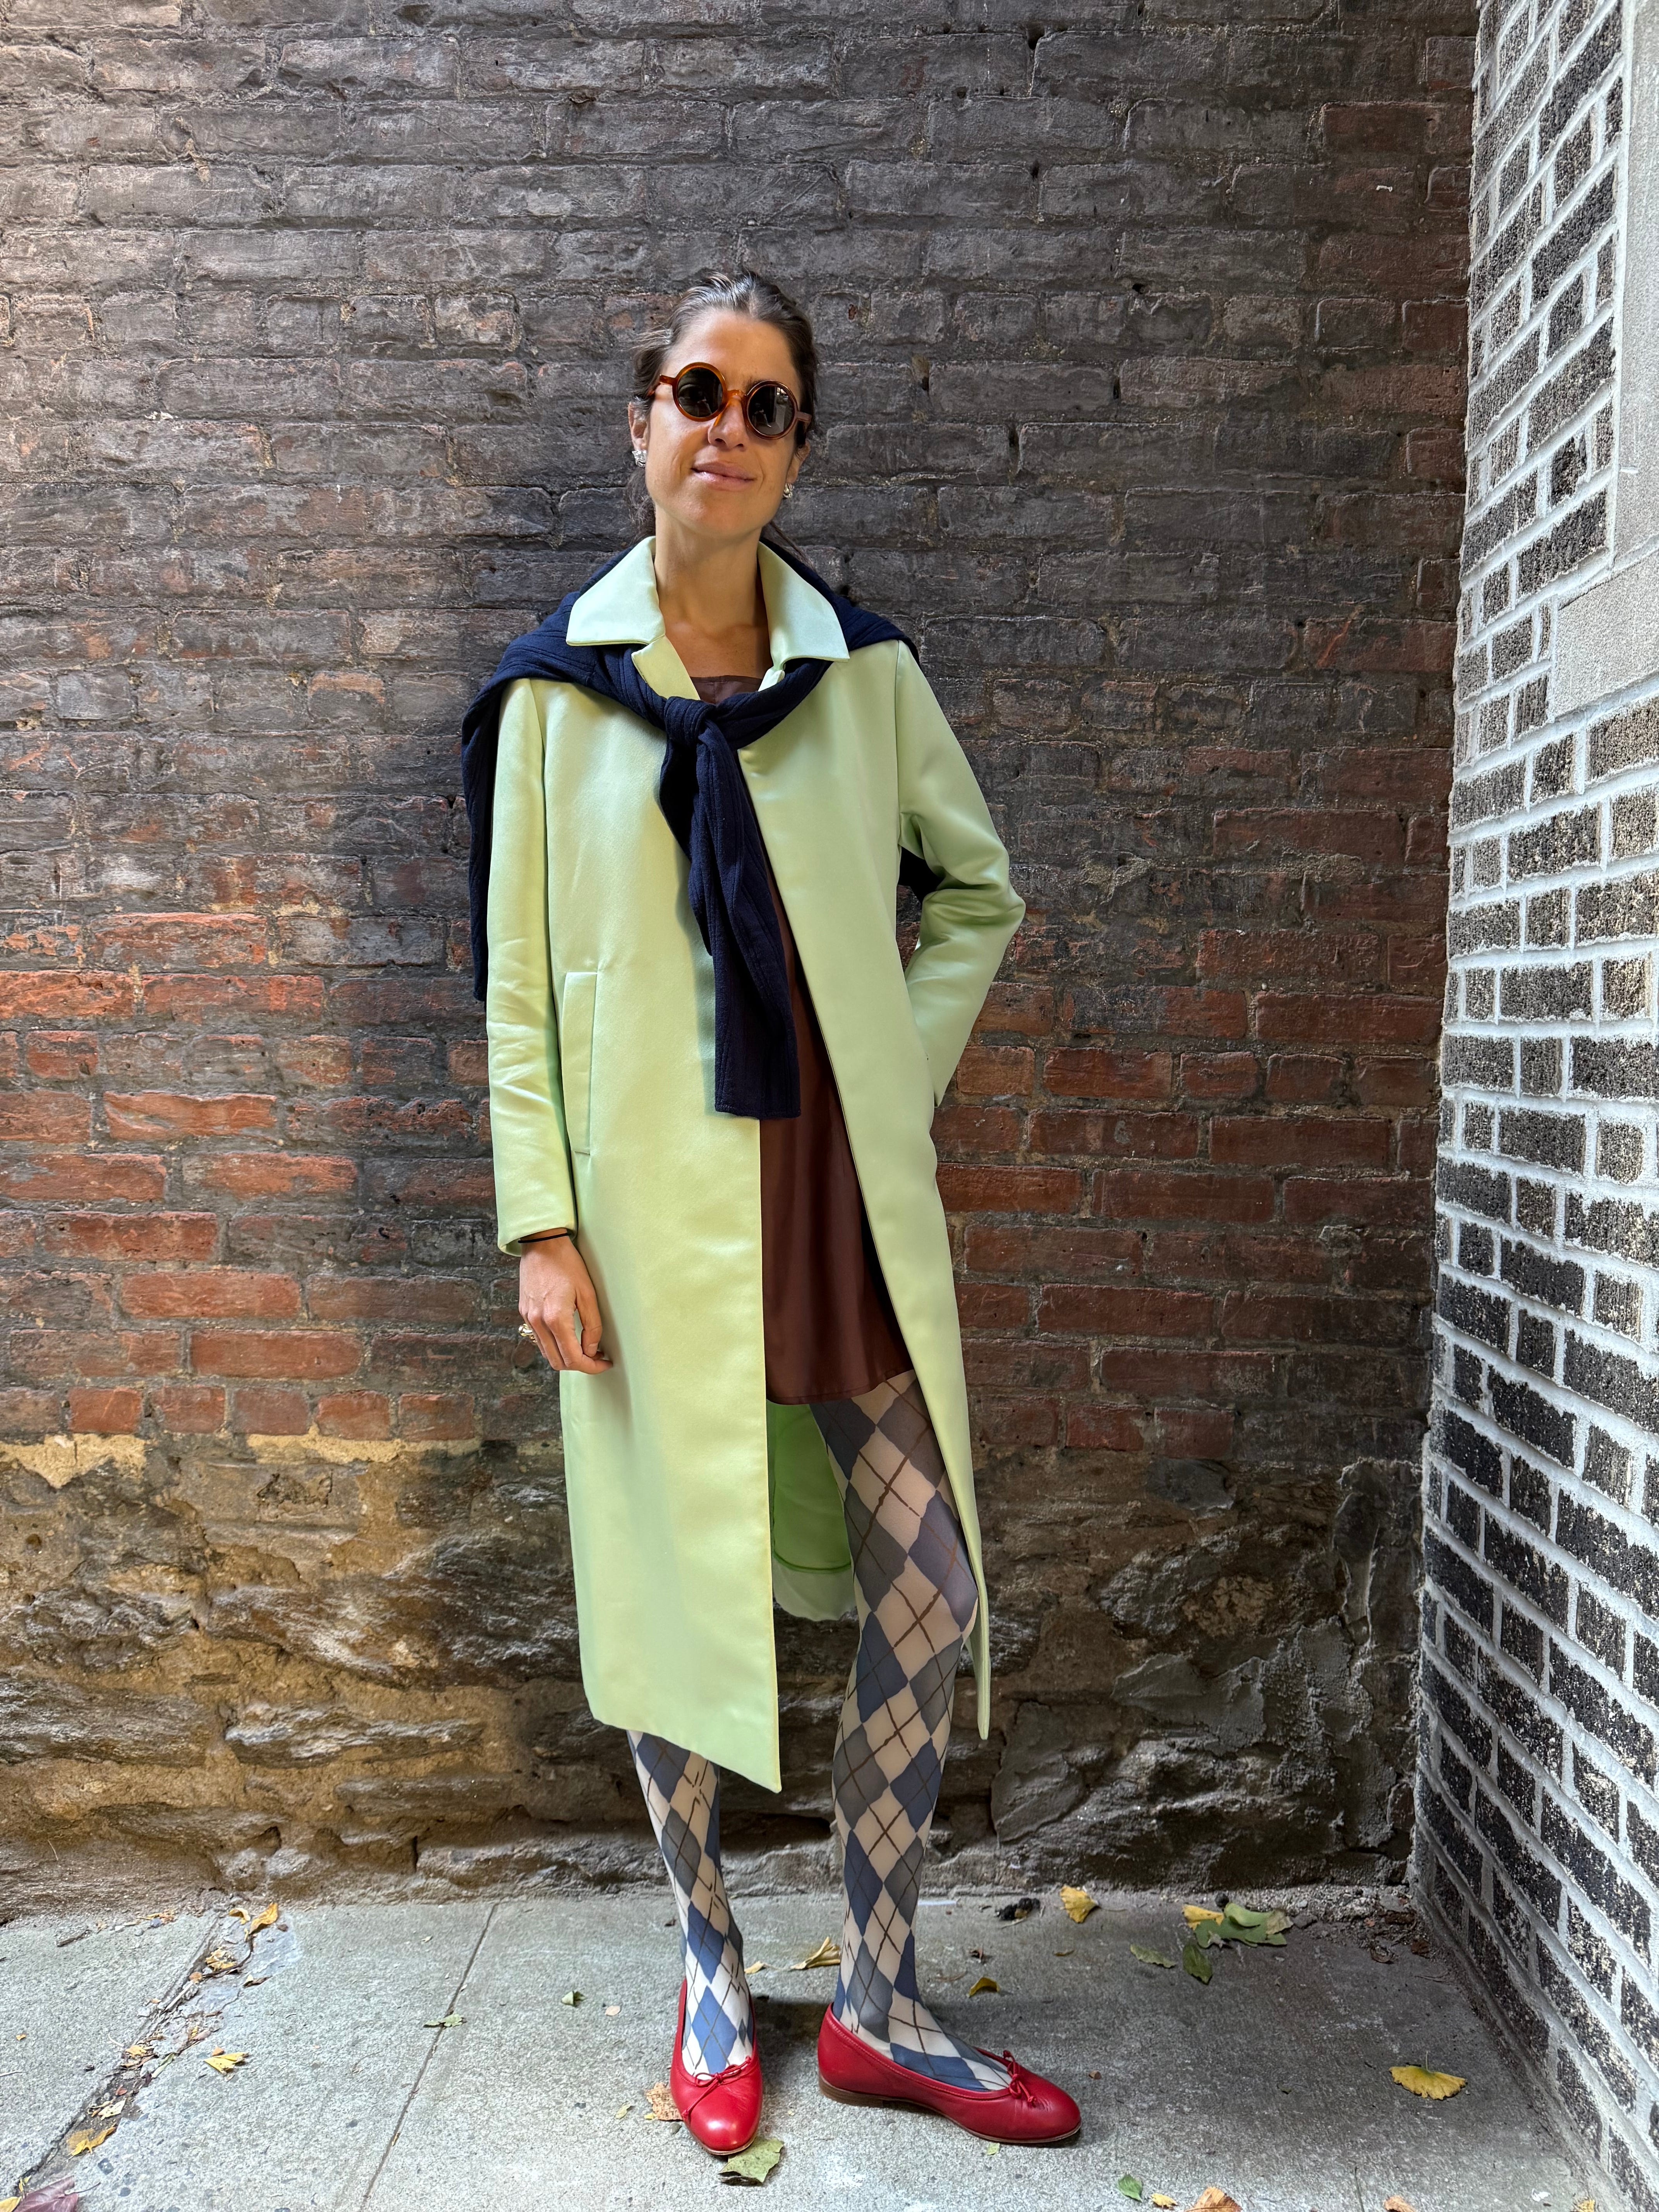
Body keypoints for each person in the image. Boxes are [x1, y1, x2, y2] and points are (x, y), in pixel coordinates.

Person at [463, 269, 1080, 2155]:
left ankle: (881, 1996)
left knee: (930, 1581)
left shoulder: (864, 680)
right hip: (645, 1222)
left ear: (797, 450)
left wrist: (895, 1059)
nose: (726, 429)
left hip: (832, 1202)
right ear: (641, 421)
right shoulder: (554, 701)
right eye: (696, 392)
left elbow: (978, 892)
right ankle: (713, 1968)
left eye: (767, 405)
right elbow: (513, 989)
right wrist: (540, 1226)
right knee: (670, 1598)